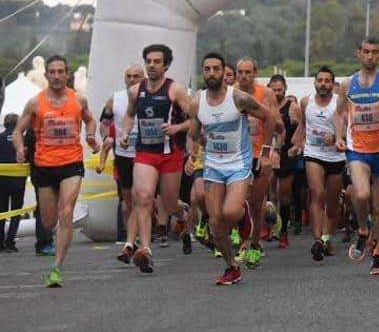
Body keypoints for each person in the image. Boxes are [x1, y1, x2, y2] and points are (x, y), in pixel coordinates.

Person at [187, 52, 275, 285]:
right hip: (213, 165)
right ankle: (232, 266)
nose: (213, 73)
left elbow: (270, 119)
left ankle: (243, 213)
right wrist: (191, 154)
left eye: (217, 69)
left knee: (230, 213)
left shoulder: (238, 98)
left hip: (238, 163)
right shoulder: (197, 102)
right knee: (216, 223)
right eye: (208, 69)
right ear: (203, 72)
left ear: (225, 74)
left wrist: (266, 153)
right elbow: (193, 135)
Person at [12, 55, 99, 287]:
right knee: (49, 222)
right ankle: (54, 241)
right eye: (53, 72)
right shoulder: (35, 103)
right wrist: (20, 149)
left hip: (71, 163)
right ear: (47, 75)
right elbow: (17, 131)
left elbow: (91, 121)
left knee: (66, 211)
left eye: (61, 71)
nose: (57, 76)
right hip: (44, 166)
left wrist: (90, 135)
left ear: (67, 74)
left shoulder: (78, 99)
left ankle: (57, 268)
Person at [119, 44, 192, 273]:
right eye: (148, 61)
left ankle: (183, 213)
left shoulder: (176, 91)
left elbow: (196, 120)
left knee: (169, 204)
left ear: (166, 65)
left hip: (171, 154)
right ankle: (145, 250)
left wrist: (177, 127)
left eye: (156, 61)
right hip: (145, 153)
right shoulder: (135, 91)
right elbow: (130, 115)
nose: (151, 65)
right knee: (143, 197)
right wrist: (124, 134)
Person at [335, 37, 379, 276]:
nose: (370, 56)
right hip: (358, 148)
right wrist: (339, 136)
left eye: (374, 52)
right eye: (366, 51)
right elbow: (339, 113)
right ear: (359, 53)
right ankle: (363, 229)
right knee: (361, 193)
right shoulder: (347, 84)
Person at [290, 66, 345, 261]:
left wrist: (339, 137)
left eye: (327, 81)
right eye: (320, 80)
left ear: (332, 84)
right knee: (317, 193)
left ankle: (327, 237)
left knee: (331, 203)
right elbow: (304, 127)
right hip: (313, 154)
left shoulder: (340, 103)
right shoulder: (306, 102)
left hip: (336, 157)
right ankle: (318, 240)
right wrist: (297, 145)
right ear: (315, 83)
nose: (323, 84)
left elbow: (350, 129)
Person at [234, 57, 281, 267]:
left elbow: (277, 123)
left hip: (259, 153)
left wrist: (268, 152)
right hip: (238, 155)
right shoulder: (231, 92)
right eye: (240, 72)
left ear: (255, 73)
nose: (243, 76)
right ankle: (244, 243)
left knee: (255, 203)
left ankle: (254, 244)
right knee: (238, 203)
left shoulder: (266, 93)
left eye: (247, 72)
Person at [99, 64, 144, 263]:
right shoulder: (114, 99)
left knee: (143, 199)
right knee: (128, 203)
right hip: (123, 156)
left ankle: (133, 243)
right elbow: (104, 123)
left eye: (136, 76)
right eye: (129, 76)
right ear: (124, 78)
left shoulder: (150, 96)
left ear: (142, 78)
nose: (132, 79)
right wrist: (106, 137)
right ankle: (132, 241)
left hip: (146, 156)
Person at [269, 74, 301, 249]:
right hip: (269, 150)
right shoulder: (265, 105)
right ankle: (272, 226)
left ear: (285, 89)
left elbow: (301, 127)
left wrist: (296, 145)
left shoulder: (292, 106)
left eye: (279, 90)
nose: (276, 93)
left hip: (286, 153)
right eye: (273, 90)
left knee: (284, 194)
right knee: (269, 192)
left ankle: (283, 232)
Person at [0, 114, 27, 252]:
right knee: (16, 211)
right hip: (18, 180)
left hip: (1, 181)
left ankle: (0, 243)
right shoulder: (21, 139)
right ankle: (10, 241)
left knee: (1, 211)